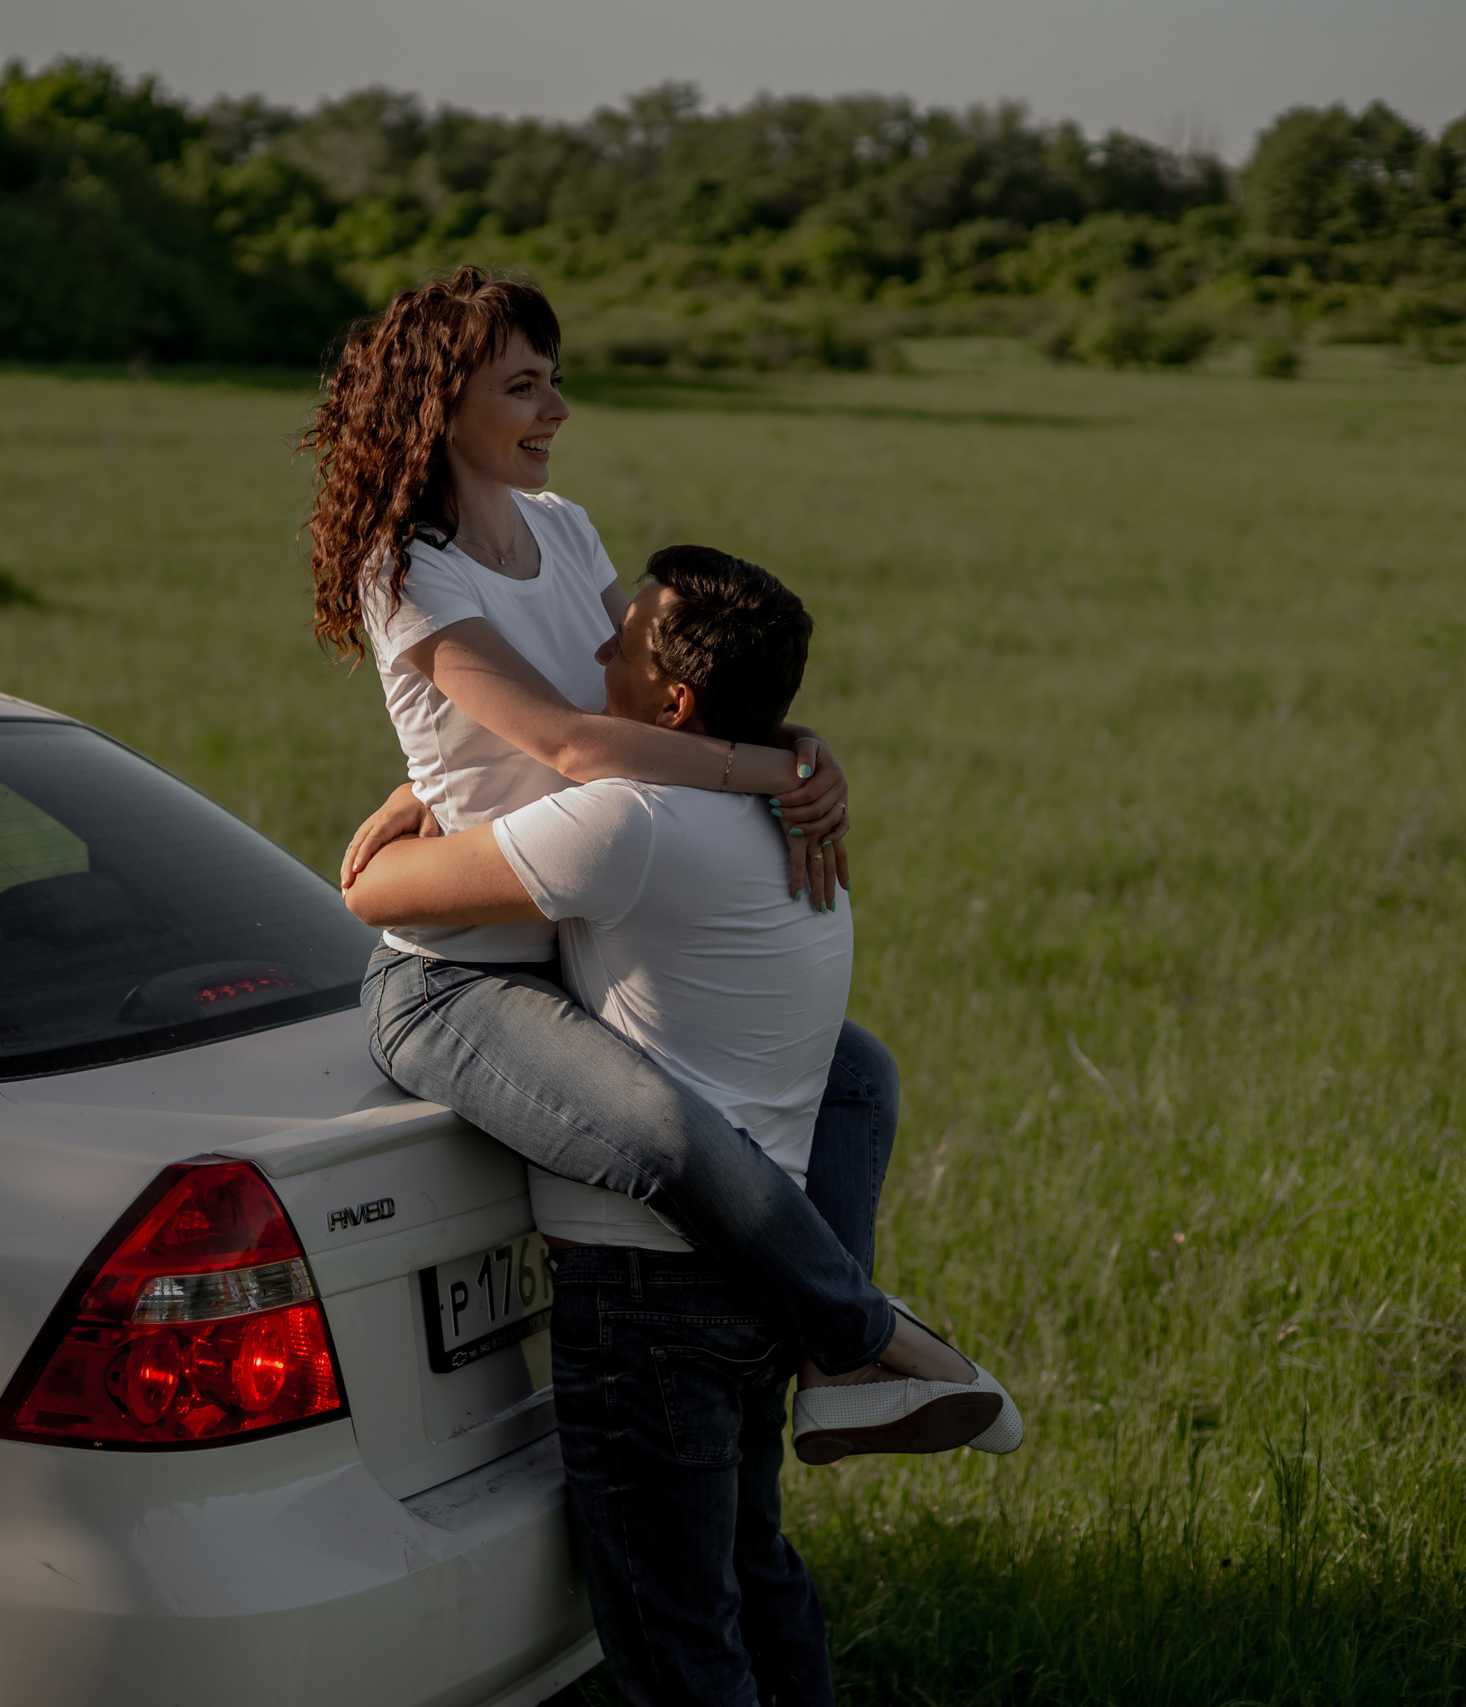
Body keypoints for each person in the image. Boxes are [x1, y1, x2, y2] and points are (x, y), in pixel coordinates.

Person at [343, 549, 1020, 1707]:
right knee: (756, 1576)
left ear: (674, 705)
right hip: (752, 1267)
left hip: (648, 1298)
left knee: (675, 1645)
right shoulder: (788, 812)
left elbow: (371, 891)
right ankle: (849, 1340)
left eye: (627, 637)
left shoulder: (623, 824)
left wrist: (418, 797)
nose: (597, 645)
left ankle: (867, 1337)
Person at [309, 265, 974, 1443]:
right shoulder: (408, 570)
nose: (557, 409)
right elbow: (568, 741)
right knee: (667, 1132)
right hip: (458, 973)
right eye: (524, 387)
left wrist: (798, 742)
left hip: (579, 926)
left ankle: (824, 1373)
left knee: (854, 1072)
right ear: (440, 405)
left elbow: (658, 701)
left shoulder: (565, 531)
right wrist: (780, 771)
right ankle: (860, 1338)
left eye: (554, 381)